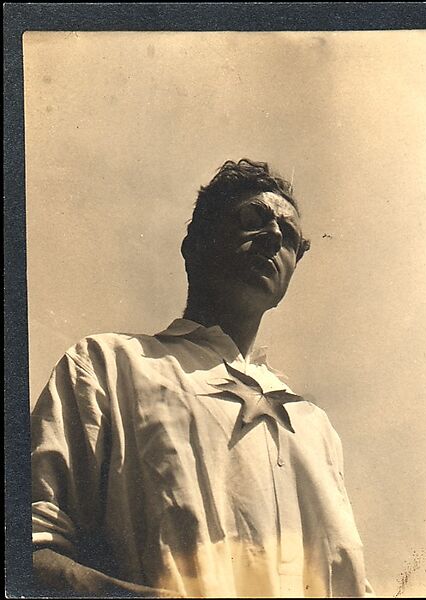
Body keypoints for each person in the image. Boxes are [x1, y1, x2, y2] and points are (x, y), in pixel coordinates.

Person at [31, 159, 374, 597]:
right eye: (253, 219)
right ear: (194, 244)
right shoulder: (106, 365)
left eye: (288, 236)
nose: (273, 236)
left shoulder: (313, 425)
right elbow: (31, 551)